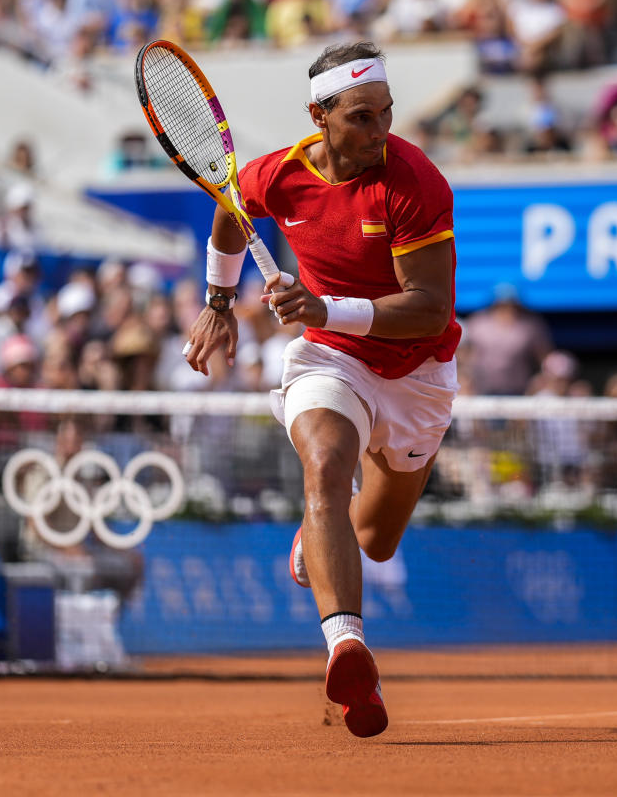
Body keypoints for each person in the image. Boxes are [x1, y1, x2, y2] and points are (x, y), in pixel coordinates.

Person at [182, 40, 461, 738]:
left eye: (386, 114)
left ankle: (322, 529)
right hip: (331, 359)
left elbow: (430, 307)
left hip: (416, 371)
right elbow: (228, 209)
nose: (379, 132)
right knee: (326, 466)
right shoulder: (280, 175)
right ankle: (346, 645)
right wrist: (219, 303)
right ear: (320, 116)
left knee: (378, 536)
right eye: (362, 118)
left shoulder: (414, 182)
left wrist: (323, 306)